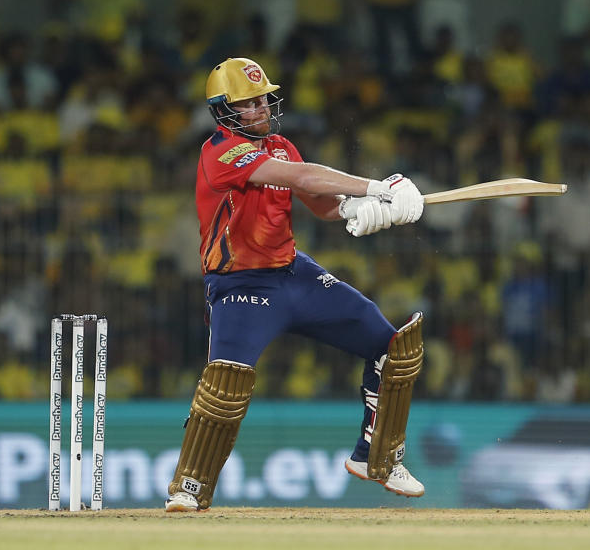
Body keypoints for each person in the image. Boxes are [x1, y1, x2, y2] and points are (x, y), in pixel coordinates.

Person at [165, 58, 425, 512]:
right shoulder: (220, 153)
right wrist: (376, 188)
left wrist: (355, 212)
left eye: (264, 97)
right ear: (223, 110)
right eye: (247, 102)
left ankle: (376, 459)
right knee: (226, 385)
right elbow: (302, 177)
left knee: (392, 349)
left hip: (293, 273)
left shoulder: (281, 145)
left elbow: (317, 201)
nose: (261, 107)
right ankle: (190, 485)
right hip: (239, 285)